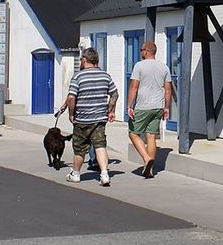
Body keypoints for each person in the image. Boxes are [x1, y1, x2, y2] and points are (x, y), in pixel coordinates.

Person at [65, 47, 118, 187]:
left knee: (80, 148)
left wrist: (71, 114)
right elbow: (114, 94)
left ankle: (75, 174)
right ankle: (104, 174)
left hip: (82, 119)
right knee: (100, 145)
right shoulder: (105, 76)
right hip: (99, 119)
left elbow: (71, 98)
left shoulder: (78, 77)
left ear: (83, 60)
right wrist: (110, 110)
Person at [127, 41, 172, 179]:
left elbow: (134, 87)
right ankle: (150, 170)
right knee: (151, 136)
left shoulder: (139, 66)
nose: (140, 52)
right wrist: (166, 107)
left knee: (133, 134)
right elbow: (168, 90)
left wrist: (129, 105)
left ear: (146, 51)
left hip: (143, 106)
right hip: (158, 106)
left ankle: (146, 158)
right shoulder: (164, 67)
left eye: (141, 50)